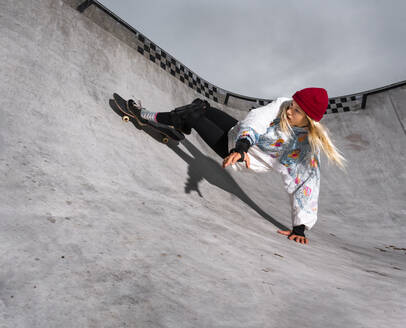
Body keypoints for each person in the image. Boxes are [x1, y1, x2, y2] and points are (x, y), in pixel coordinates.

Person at [128, 87, 346, 245]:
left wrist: (300, 228)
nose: (289, 111)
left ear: (309, 121)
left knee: (193, 115)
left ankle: (146, 116)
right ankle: (181, 123)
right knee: (201, 107)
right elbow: (257, 120)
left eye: (297, 112)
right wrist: (242, 144)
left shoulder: (302, 148)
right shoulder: (282, 104)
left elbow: (305, 184)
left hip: (241, 157)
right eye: (292, 106)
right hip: (240, 137)